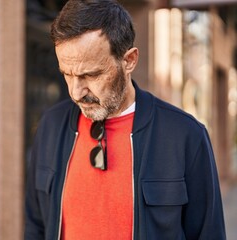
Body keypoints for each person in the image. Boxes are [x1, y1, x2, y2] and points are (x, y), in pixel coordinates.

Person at [24, 0, 226, 239]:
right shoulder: (50, 126)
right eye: (67, 74)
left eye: (90, 74)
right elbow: (34, 225)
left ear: (129, 60)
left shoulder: (185, 135)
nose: (76, 92)